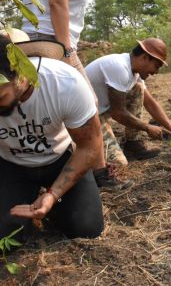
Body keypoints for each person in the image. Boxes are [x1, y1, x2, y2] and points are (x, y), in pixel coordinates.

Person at [0, 30, 103, 240]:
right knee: (7, 234)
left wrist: (53, 194)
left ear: (21, 75)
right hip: (10, 164)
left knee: (85, 227)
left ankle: (56, 204)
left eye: (0, 96)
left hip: (59, 160)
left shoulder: (64, 83)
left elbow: (90, 145)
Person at [86, 38, 171, 166]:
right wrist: (147, 127)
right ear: (145, 57)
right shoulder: (119, 67)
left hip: (100, 110)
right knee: (119, 163)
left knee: (139, 89)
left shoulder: (135, 72)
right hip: (87, 118)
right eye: (156, 66)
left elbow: (150, 103)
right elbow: (118, 113)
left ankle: (132, 144)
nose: (156, 72)